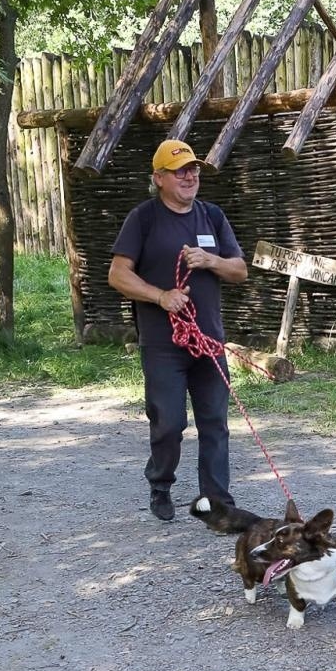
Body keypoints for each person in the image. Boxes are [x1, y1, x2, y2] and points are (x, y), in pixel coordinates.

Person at [108, 139, 248, 522]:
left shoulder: (212, 216)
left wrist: (211, 260)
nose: (190, 176)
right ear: (159, 178)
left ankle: (217, 503)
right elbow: (118, 274)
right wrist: (160, 296)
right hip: (163, 345)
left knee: (215, 423)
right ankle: (160, 482)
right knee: (169, 422)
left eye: (194, 169)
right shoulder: (144, 218)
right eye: (179, 170)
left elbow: (239, 270)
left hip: (208, 341)